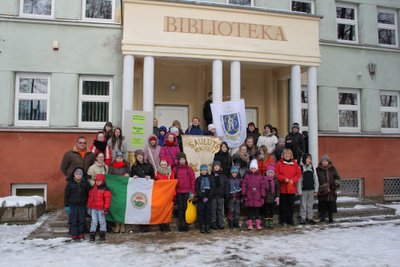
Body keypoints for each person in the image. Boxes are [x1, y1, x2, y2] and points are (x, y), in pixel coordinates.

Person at [130, 149, 155, 232]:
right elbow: (131, 175)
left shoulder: (149, 165)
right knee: (140, 205)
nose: (139, 157)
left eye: (141, 155)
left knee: (147, 205)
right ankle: (141, 225)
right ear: (136, 157)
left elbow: (153, 176)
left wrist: (150, 177)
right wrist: (133, 176)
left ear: (143, 156)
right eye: (138, 156)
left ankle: (146, 225)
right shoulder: (134, 166)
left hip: (147, 189)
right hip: (138, 189)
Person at [275, 149, 301, 226]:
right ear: (283, 155)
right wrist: (283, 179)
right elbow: (277, 174)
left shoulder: (295, 164)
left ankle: (290, 219)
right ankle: (283, 220)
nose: (287, 155)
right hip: (283, 188)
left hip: (291, 188)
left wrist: (293, 180)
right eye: (285, 154)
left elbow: (298, 173)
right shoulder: (279, 163)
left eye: (289, 154)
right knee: (283, 205)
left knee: (291, 205)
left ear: (291, 155)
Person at [64, 167, 89, 241]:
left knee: (82, 219)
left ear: (82, 175)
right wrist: (66, 205)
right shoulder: (70, 184)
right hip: (73, 205)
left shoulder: (85, 183)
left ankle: (81, 234)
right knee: (73, 219)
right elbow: (66, 195)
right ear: (74, 175)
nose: (78, 175)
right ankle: (74, 234)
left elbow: (88, 194)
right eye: (77, 174)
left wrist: (87, 204)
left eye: (80, 174)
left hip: (82, 205)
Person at [108, 150, 129, 234]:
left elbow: (129, 175)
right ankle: (117, 224)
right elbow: (109, 177)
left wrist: (127, 175)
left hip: (123, 189)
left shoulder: (126, 166)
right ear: (115, 158)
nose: (119, 159)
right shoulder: (112, 167)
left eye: (120, 158)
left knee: (122, 207)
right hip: (114, 190)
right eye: (118, 158)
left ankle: (122, 224)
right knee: (115, 207)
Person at [173, 152, 195, 232]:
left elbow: (192, 181)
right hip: (179, 191)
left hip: (187, 191)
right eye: (180, 160)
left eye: (183, 159)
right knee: (180, 208)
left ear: (185, 160)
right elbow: (173, 180)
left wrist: (192, 192)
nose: (182, 161)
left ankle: (186, 224)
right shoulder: (175, 169)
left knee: (186, 208)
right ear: (178, 160)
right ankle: (181, 224)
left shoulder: (189, 169)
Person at [241, 159, 266, 230]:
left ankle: (257, 223)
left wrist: (262, 195)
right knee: (250, 210)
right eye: (252, 168)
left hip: (257, 196)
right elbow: (243, 185)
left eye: (254, 168)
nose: (253, 170)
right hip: (249, 196)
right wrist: (244, 194)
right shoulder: (246, 176)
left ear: (257, 168)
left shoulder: (260, 177)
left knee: (257, 210)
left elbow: (262, 187)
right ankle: (250, 223)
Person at [316, 154, 341, 223]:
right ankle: (322, 218)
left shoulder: (332, 169)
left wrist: (335, 184)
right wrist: (319, 187)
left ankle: (331, 218)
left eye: (326, 161)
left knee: (331, 204)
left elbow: (337, 177)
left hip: (331, 189)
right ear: (321, 162)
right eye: (323, 161)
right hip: (322, 190)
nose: (324, 162)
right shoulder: (318, 169)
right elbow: (316, 179)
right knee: (322, 204)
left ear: (328, 162)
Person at [88, 174, 111, 242]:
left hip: (101, 209)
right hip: (93, 208)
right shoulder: (92, 189)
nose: (97, 182)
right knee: (94, 221)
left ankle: (102, 235)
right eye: (96, 181)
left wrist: (106, 208)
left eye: (99, 181)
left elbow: (107, 200)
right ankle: (92, 235)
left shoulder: (105, 190)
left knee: (102, 222)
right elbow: (90, 199)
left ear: (102, 181)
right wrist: (89, 207)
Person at [154, 158, 175, 232]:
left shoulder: (171, 173)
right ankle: (162, 224)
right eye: (162, 164)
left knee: (168, 209)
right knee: (161, 209)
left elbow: (173, 184)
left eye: (164, 164)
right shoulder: (157, 172)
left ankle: (167, 223)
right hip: (160, 194)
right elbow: (155, 182)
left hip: (168, 194)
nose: (163, 166)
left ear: (167, 164)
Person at [297, 154, 319, 225]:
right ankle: (303, 218)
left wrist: (316, 189)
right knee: (303, 204)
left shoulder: (312, 167)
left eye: (310, 159)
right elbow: (299, 180)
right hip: (303, 190)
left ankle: (309, 218)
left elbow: (315, 179)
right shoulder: (301, 168)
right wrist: (299, 190)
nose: (309, 160)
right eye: (307, 159)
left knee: (310, 204)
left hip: (311, 189)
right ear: (303, 159)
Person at [209, 161, 229, 230]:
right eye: (215, 166)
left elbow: (226, 186)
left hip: (221, 196)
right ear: (213, 167)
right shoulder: (210, 176)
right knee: (213, 210)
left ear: (220, 167)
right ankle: (213, 223)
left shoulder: (223, 176)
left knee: (220, 210)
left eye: (218, 166)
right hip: (213, 196)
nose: (216, 167)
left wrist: (226, 194)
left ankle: (221, 223)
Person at [195, 164, 215, 234]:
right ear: (200, 171)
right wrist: (202, 197)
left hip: (208, 198)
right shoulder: (198, 179)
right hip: (201, 199)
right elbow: (197, 189)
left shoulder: (211, 178)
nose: (203, 171)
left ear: (207, 171)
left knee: (208, 213)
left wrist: (208, 197)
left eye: (205, 170)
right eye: (202, 170)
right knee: (201, 213)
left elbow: (212, 188)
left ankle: (207, 226)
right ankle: (202, 226)